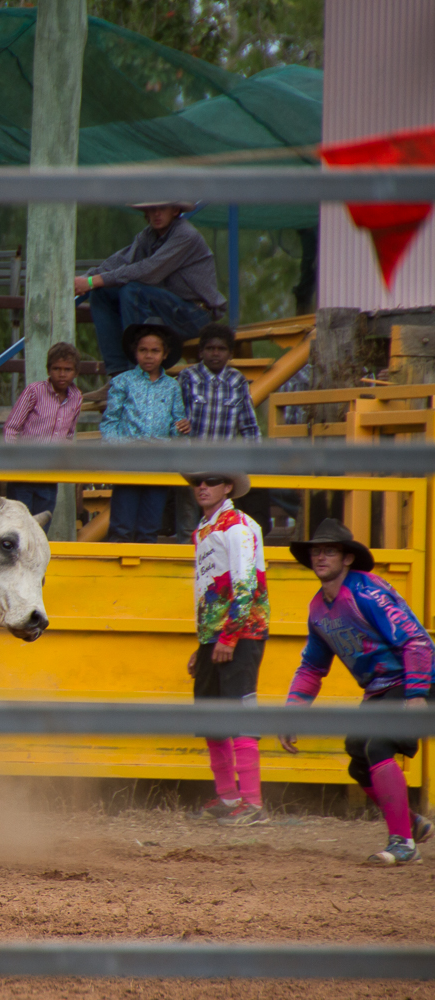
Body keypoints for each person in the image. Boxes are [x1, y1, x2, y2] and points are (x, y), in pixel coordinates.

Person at [280, 519, 435, 866]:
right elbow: (312, 666)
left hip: (416, 679)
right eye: (316, 552)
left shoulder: (368, 592)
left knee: (376, 745)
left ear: (347, 558)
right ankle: (410, 824)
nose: (320, 557)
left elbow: (416, 640)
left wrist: (416, 694)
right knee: (358, 756)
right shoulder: (317, 609)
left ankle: (403, 844)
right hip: (382, 688)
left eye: (329, 551)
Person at [182, 471, 269, 827]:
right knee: (212, 718)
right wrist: (206, 642)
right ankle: (230, 797)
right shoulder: (207, 528)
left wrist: (229, 636)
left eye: (212, 480)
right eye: (197, 482)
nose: (203, 487)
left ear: (227, 486)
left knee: (239, 715)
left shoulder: (237, 526)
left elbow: (245, 584)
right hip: (217, 635)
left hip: (240, 633)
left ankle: (252, 803)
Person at [77, 200, 225, 377]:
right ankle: (118, 376)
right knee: (102, 293)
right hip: (168, 311)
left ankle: (139, 375)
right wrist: (86, 280)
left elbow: (149, 270)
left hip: (195, 316)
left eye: (162, 208)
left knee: (132, 291)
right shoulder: (148, 236)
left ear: (175, 210)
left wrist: (94, 281)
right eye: (151, 209)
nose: (156, 214)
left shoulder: (185, 235)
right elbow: (119, 261)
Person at [175, 323, 267, 539]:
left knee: (220, 519)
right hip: (191, 461)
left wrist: (254, 458)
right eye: (210, 348)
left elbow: (249, 425)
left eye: (221, 349)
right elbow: (176, 417)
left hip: (223, 464)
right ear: (201, 352)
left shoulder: (237, 381)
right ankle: (186, 555)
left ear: (230, 353)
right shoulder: (188, 377)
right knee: (188, 518)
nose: (215, 353)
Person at [98, 320, 187, 543]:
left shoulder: (172, 386)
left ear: (165, 354)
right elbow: (109, 423)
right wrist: (125, 448)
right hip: (128, 462)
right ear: (135, 352)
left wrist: (181, 429)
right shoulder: (122, 382)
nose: (149, 356)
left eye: (155, 351)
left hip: (159, 464)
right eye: (143, 350)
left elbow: (176, 424)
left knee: (150, 528)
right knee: (122, 526)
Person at [2, 342, 83, 526]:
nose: (62, 374)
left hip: (49, 473)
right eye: (57, 368)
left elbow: (69, 435)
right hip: (23, 470)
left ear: (76, 372)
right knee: (18, 524)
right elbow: (11, 428)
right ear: (48, 370)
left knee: (41, 525)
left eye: (68, 369)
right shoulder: (35, 391)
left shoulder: (76, 397)